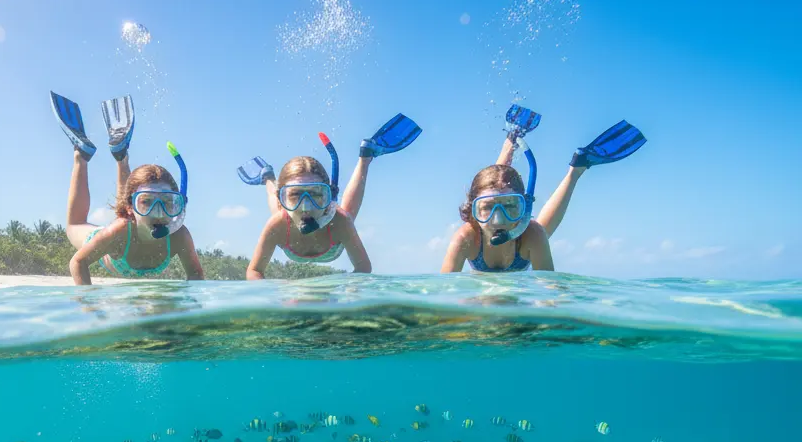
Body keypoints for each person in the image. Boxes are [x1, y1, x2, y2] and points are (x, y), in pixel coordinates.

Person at [440, 107, 646, 273]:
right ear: (472, 211)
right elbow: (443, 297)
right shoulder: (466, 239)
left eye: (511, 207)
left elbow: (548, 297)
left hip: (527, 233)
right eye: (486, 208)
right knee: (496, 186)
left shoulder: (533, 236)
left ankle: (575, 170)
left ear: (525, 208)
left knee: (525, 215)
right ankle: (511, 141)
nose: (498, 219)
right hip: (495, 214)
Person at [238, 114, 421, 279]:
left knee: (347, 213)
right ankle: (268, 178)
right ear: (283, 200)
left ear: (329, 196)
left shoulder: (340, 222)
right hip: (284, 215)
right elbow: (254, 271)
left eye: (316, 195)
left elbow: (363, 267)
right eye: (294, 195)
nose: (306, 207)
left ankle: (365, 158)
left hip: (333, 219)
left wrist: (345, 293)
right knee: (276, 209)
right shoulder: (277, 226)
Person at [49, 92, 204, 284]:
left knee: (124, 214)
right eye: (146, 202)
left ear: (177, 205)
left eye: (167, 203)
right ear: (131, 206)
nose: (158, 212)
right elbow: (78, 262)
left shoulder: (179, 236)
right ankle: (81, 156)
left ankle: (121, 156)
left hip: (128, 223)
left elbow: (196, 274)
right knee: (74, 225)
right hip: (115, 233)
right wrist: (88, 305)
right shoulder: (117, 233)